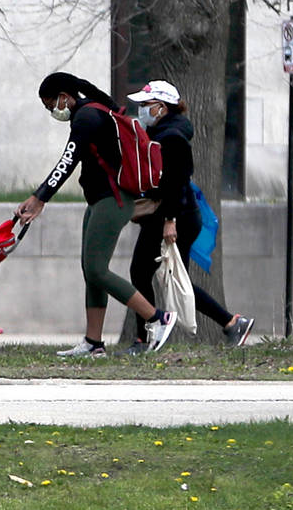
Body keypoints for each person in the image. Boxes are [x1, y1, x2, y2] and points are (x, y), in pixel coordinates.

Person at [15, 70, 178, 357]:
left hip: (112, 201)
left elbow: (68, 160)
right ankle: (93, 343)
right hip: (100, 201)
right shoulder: (91, 112)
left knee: (96, 270)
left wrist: (40, 198)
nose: (53, 111)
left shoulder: (87, 117)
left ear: (64, 97)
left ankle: (157, 318)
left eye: (52, 105)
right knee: (90, 270)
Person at [125, 79, 255, 348]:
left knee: (142, 273)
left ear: (161, 107)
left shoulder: (171, 137)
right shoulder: (164, 132)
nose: (140, 110)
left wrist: (169, 221)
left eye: (145, 105)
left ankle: (145, 337)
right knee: (171, 278)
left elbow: (176, 181)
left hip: (174, 216)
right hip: (176, 215)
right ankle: (231, 323)